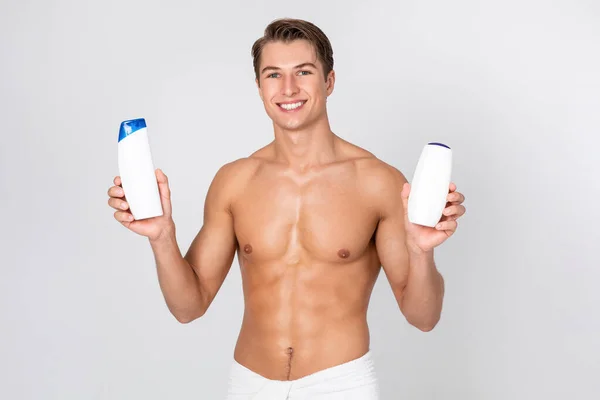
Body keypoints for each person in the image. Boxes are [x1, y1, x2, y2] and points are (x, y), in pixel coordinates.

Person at [107, 18, 466, 399]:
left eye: (304, 72)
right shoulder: (236, 181)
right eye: (273, 74)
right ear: (260, 87)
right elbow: (188, 307)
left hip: (340, 384)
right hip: (250, 384)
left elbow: (423, 318)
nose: (288, 88)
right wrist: (162, 237)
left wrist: (420, 252)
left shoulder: (378, 182)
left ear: (328, 81)